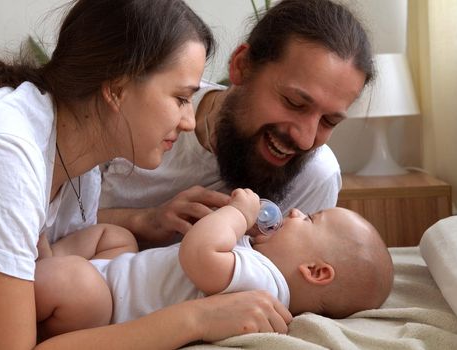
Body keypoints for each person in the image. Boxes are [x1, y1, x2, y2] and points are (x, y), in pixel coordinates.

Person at [0, 1, 293, 349]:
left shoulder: (78, 167)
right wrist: (195, 318)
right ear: (117, 88)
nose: (187, 120)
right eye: (181, 97)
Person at [98, 0, 375, 247]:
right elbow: (55, 228)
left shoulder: (314, 176)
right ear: (241, 66)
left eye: (329, 121)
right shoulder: (138, 113)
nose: (305, 139)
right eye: (294, 103)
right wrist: (143, 221)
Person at [34, 188, 394, 339]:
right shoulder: (255, 263)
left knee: (77, 283)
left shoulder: (264, 283)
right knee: (115, 237)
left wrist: (237, 213)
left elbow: (198, 254)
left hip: (106, 309)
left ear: (315, 272)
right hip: (118, 275)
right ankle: (48, 262)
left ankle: (36, 270)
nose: (296, 211)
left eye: (311, 219)